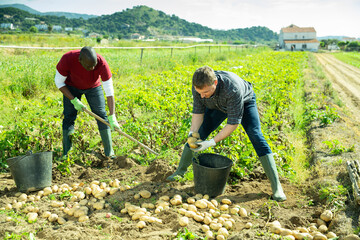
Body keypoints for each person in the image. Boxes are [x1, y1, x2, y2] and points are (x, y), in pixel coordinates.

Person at [166, 66, 286, 202]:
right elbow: (198, 113)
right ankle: (180, 172)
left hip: (244, 103)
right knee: (199, 132)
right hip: (217, 106)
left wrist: (211, 142)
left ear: (215, 83)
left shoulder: (232, 89)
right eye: (199, 92)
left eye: (205, 92)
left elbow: (233, 123)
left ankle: (277, 187)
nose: (202, 96)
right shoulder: (199, 87)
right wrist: (192, 134)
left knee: (255, 135)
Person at [54, 46, 120, 158]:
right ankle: (67, 153)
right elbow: (59, 82)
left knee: (101, 115)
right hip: (71, 86)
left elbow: (109, 91)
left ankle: (109, 153)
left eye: (94, 65)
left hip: (93, 87)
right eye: (89, 66)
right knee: (69, 117)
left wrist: (112, 116)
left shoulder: (102, 63)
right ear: (80, 60)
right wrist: (73, 100)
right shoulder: (68, 59)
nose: (92, 68)